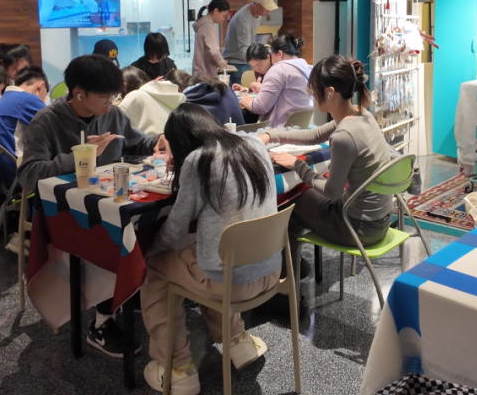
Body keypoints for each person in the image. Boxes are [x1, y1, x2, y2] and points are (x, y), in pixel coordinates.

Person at [18, 55, 167, 358]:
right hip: (63, 214)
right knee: (112, 238)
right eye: (104, 97)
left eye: (113, 96)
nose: (110, 103)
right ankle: (101, 323)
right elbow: (29, 175)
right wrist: (78, 157)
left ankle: (130, 289)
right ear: (78, 94)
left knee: (154, 225)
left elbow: (136, 142)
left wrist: (159, 140)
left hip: (107, 201)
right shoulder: (46, 121)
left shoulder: (114, 114)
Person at [140, 104, 280, 395]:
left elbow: (177, 225)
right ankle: (237, 341)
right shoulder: (253, 144)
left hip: (231, 283)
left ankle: (178, 369)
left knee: (156, 269)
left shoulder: (198, 160)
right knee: (202, 256)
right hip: (270, 271)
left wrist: (151, 250)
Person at [258, 55, 391, 276]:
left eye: (313, 90)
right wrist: (271, 134)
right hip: (379, 221)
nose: (311, 95)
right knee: (302, 194)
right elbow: (313, 136)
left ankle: (287, 280)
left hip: (358, 228)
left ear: (329, 92)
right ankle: (293, 271)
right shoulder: (361, 114)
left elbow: (332, 193)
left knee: (290, 202)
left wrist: (297, 165)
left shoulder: (344, 135)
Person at [0, 66, 49, 187]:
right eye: (45, 94)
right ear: (40, 86)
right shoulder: (28, 99)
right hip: (14, 176)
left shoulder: (1, 100)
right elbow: (56, 126)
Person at [239, 32, 312, 128]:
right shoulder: (307, 67)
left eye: (271, 54)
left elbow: (260, 107)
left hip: (281, 129)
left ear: (280, 54)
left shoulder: (279, 69)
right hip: (303, 126)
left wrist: (247, 101)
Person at [222, 0, 279, 86]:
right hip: (237, 63)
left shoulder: (257, 14)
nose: (268, 11)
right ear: (257, 5)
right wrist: (259, 60)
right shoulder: (243, 20)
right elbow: (244, 49)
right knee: (241, 91)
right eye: (267, 8)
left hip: (246, 61)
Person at [165, 69, 245, 127]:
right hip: (245, 139)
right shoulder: (225, 88)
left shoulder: (186, 106)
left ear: (178, 89)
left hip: (219, 144)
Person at [118, 68, 186, 136]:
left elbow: (117, 128)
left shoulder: (133, 97)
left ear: (124, 85)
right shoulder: (168, 94)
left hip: (151, 141)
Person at [192, 0, 231, 78]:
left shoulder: (203, 23)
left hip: (200, 72)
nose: (223, 19)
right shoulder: (208, 26)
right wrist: (222, 63)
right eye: (223, 16)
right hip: (206, 75)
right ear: (216, 11)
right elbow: (214, 51)